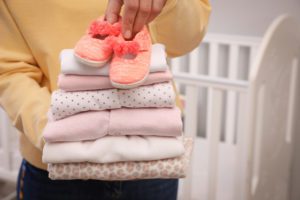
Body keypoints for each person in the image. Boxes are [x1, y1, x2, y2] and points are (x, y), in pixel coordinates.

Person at [0, 0, 211, 199]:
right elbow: (8, 68)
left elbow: (185, 39)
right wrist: (53, 130)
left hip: (152, 163)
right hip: (55, 164)